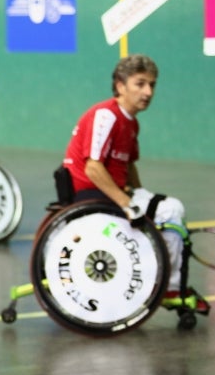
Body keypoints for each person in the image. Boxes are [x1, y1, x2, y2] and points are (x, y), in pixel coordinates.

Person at [62, 53, 201, 308]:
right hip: (92, 195)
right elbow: (93, 168)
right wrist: (129, 204)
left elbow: (127, 164)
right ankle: (168, 289)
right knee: (172, 210)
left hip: (112, 191)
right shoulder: (107, 116)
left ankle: (164, 281)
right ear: (120, 86)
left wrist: (141, 194)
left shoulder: (131, 122)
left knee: (166, 210)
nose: (148, 91)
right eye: (140, 83)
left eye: (152, 84)